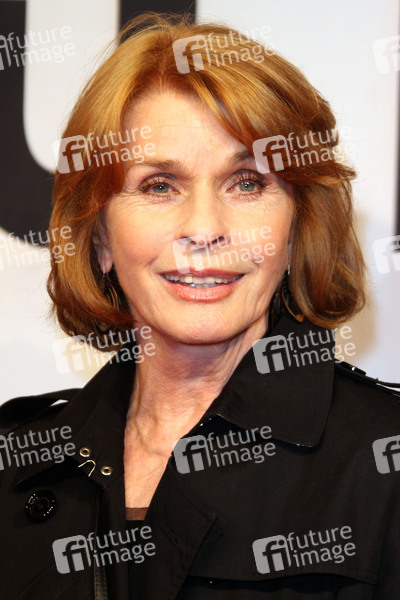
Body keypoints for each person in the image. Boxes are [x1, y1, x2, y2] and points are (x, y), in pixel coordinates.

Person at [1, 12, 399, 599]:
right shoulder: (17, 459)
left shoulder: (383, 461)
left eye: (247, 183)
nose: (205, 228)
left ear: (297, 229)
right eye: (160, 185)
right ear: (101, 235)